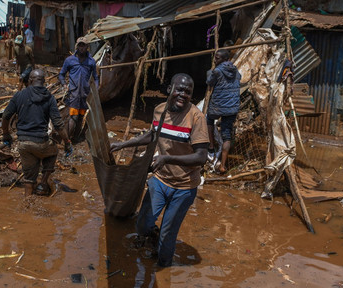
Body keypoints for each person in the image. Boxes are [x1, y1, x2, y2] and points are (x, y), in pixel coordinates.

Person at [110, 74, 209, 268]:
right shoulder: (159, 111)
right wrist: (123, 144)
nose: (183, 95)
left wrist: (167, 158)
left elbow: (201, 157)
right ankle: (152, 237)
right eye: (179, 90)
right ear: (169, 89)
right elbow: (152, 134)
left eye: (188, 92)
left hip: (184, 186)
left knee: (168, 234)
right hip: (161, 180)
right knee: (143, 224)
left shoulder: (196, 118)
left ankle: (163, 270)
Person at [0, 68, 73, 196]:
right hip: (41, 142)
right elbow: (58, 124)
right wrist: (67, 142)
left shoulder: (19, 95)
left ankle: (27, 203)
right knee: (53, 151)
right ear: (44, 81)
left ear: (30, 80)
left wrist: (6, 134)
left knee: (29, 177)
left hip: (23, 143)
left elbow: (6, 116)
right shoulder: (49, 98)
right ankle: (43, 184)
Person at [206, 49, 241, 174]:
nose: (215, 60)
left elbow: (209, 82)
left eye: (218, 58)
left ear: (225, 59)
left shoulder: (217, 71)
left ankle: (210, 146)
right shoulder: (236, 70)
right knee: (227, 134)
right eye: (215, 58)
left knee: (208, 120)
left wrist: (210, 72)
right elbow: (239, 79)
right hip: (232, 107)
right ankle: (223, 166)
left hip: (218, 106)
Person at [58, 37, 99, 143]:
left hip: (85, 94)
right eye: (80, 45)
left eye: (84, 45)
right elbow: (61, 74)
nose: (81, 48)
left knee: (81, 117)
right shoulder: (70, 60)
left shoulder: (91, 62)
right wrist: (64, 84)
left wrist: (96, 89)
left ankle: (75, 138)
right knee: (73, 117)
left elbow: (95, 77)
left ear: (87, 47)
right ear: (77, 46)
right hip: (74, 94)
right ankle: (66, 141)